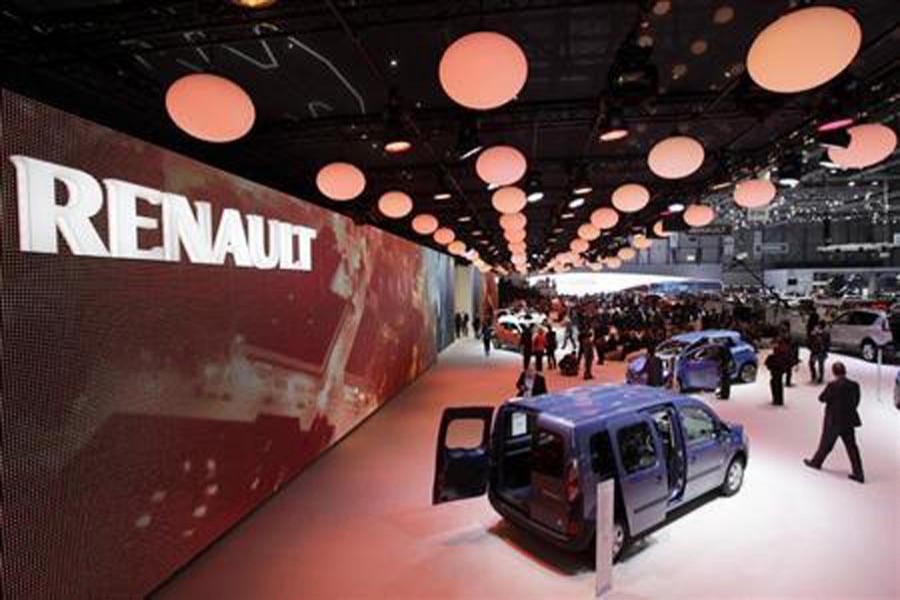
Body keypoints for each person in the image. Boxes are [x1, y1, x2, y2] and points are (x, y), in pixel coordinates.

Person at [804, 362, 865, 483]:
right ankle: (858, 473)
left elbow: (822, 398)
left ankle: (816, 462)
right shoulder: (854, 385)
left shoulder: (833, 385)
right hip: (849, 420)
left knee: (826, 444)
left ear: (834, 372)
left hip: (834, 420)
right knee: (852, 447)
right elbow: (857, 400)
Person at [765, 340, 790, 406]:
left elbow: (767, 363)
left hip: (776, 371)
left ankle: (776, 399)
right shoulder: (783, 353)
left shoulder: (775, 356)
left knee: (775, 384)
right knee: (778, 384)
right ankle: (779, 400)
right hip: (779, 371)